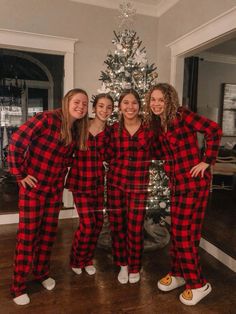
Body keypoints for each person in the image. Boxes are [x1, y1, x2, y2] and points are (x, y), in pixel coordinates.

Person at [8, 88, 89, 305]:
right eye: (77, 102)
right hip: (33, 189)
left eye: (84, 103)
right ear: (67, 102)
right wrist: (19, 174)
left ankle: (41, 273)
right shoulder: (47, 119)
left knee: (47, 235)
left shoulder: (77, 128)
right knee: (28, 237)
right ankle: (18, 286)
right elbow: (16, 141)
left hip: (54, 190)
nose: (81, 107)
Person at [145, 83, 222, 305]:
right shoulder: (159, 124)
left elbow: (213, 129)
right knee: (186, 231)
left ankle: (198, 284)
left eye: (160, 99)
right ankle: (179, 273)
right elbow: (160, 152)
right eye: (153, 100)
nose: (156, 104)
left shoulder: (182, 115)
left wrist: (207, 161)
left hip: (193, 184)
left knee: (182, 233)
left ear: (169, 100)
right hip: (178, 185)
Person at [105, 89, 154, 284]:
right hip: (116, 184)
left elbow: (159, 150)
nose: (130, 107)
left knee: (135, 228)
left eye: (134, 103)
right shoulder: (113, 129)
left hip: (139, 186)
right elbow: (107, 154)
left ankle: (135, 265)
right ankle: (122, 265)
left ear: (139, 106)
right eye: (126, 102)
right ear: (120, 107)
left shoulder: (149, 129)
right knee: (117, 226)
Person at [66, 93, 114, 276]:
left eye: (109, 107)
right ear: (94, 108)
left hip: (98, 183)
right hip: (80, 182)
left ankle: (87, 259)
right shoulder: (80, 126)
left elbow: (110, 156)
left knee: (98, 223)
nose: (105, 110)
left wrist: (107, 162)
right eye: (101, 106)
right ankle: (76, 259)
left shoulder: (110, 132)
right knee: (87, 224)